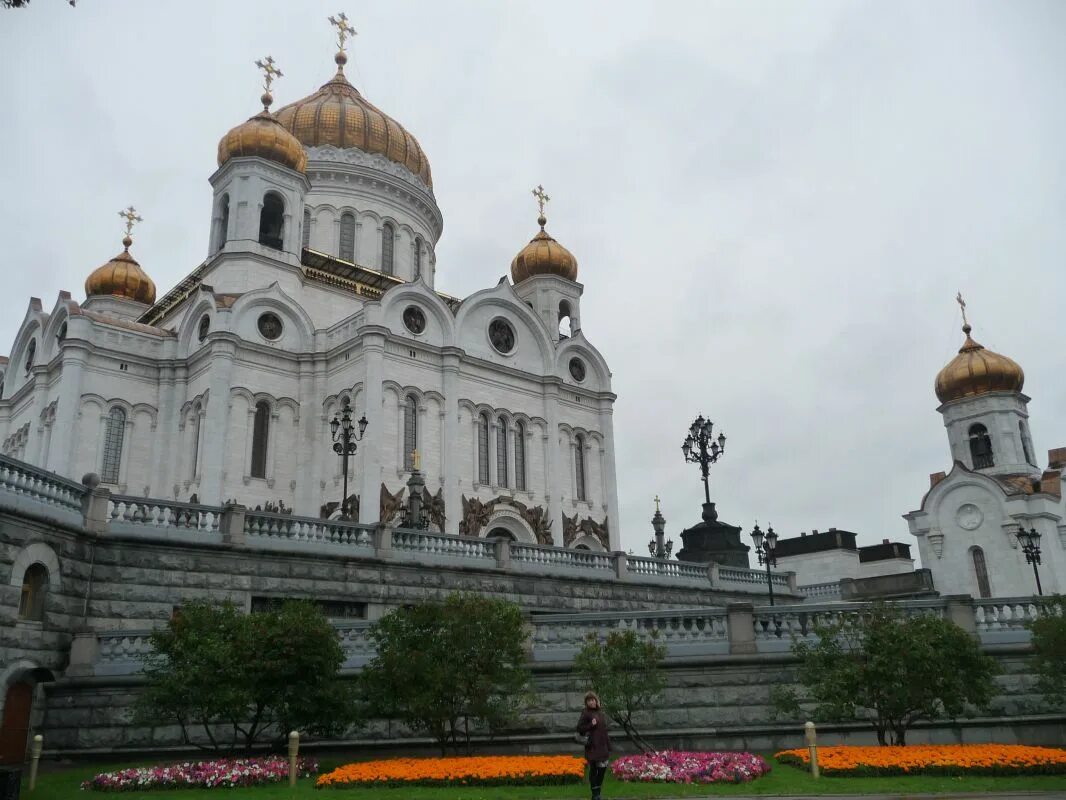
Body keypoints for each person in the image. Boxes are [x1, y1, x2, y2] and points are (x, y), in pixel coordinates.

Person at [576, 690, 610, 800]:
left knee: (603, 769)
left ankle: (597, 791)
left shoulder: (600, 713)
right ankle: (595, 794)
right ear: (586, 703)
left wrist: (608, 745)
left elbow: (604, 730)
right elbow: (579, 729)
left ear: (596, 700)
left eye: (593, 700)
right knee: (594, 769)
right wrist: (591, 724)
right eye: (589, 700)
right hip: (592, 746)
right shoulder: (586, 713)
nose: (591, 702)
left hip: (603, 746)